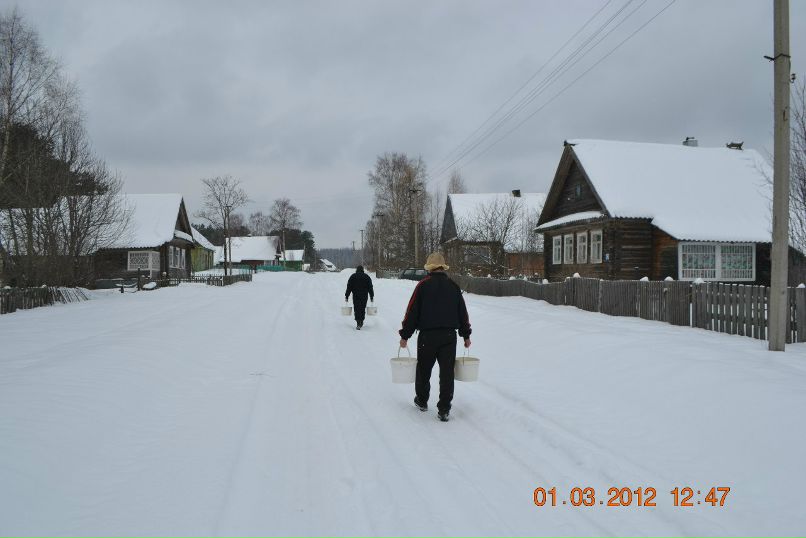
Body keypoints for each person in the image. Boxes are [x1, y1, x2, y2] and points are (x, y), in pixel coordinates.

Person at [399, 252, 471, 422]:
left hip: (427, 337)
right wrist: (466, 335)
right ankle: (444, 409)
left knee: (424, 370)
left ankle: (422, 401)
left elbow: (412, 312)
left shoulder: (422, 286)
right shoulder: (453, 286)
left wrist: (405, 335)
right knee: (446, 374)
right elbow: (463, 314)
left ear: (429, 268)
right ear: (442, 267)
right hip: (448, 337)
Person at [345, 266, 374, 330]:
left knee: (357, 308)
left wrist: (347, 295)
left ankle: (358, 322)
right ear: (362, 270)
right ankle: (361, 321)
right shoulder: (366, 277)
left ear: (357, 270)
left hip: (356, 296)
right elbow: (370, 287)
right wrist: (372, 296)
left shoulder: (353, 276)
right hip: (364, 296)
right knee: (362, 308)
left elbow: (349, 287)